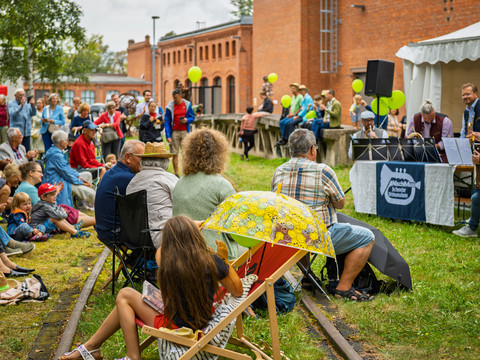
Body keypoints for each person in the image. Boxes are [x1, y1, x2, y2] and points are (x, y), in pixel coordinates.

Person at [59, 215, 242, 360]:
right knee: (126, 299)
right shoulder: (214, 262)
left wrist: (184, 228)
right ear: (196, 236)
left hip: (176, 326)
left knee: (125, 295)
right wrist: (223, 259)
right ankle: (92, 348)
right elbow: (237, 291)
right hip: (201, 320)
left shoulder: (167, 261)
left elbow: (165, 250)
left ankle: (131, 356)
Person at [272, 129, 375, 301]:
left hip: (287, 237)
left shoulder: (279, 171)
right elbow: (340, 204)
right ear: (313, 149)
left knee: (298, 225)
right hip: (316, 239)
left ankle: (307, 276)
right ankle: (343, 287)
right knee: (367, 237)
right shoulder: (323, 171)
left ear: (291, 149)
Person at [172, 128, 240, 260]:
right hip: (215, 255)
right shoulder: (222, 185)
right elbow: (233, 233)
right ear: (219, 154)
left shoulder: (179, 182)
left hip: (181, 252)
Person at [126, 142, 177, 248]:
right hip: (163, 237)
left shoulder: (132, 182)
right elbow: (180, 204)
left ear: (143, 161)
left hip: (135, 239)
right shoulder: (169, 179)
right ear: (165, 162)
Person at [94, 140, 145, 246]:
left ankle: (135, 262)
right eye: (141, 158)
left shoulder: (111, 172)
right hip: (115, 235)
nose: (144, 162)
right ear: (128, 157)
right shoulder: (127, 178)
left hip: (103, 231)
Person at [44, 130, 95, 208]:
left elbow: (67, 169)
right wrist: (81, 182)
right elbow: (67, 174)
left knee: (87, 175)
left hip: (63, 178)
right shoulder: (56, 155)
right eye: (67, 140)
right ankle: (101, 208)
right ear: (62, 142)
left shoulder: (56, 151)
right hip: (59, 182)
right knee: (90, 192)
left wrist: (78, 176)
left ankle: (82, 204)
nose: (68, 142)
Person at [164, 88, 195, 177]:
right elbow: (167, 121)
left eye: (176, 98)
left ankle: (186, 172)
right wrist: (168, 135)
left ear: (180, 96)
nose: (174, 100)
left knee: (186, 153)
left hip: (185, 131)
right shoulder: (170, 107)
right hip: (175, 132)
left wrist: (187, 120)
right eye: (173, 98)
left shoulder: (187, 105)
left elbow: (192, 117)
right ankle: (176, 173)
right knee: (175, 153)